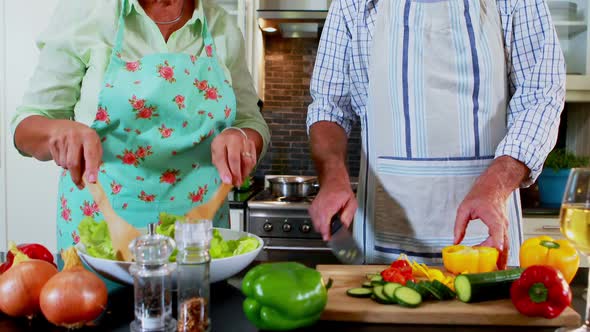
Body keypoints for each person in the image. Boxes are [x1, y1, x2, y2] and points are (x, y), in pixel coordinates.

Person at [307, 0, 565, 268]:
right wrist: (332, 174)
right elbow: (330, 105)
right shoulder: (352, 4)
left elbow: (541, 95)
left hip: (485, 247)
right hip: (382, 254)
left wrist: (496, 186)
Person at [11, 0, 269, 253]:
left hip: (197, 243)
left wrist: (241, 136)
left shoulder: (222, 26)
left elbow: (249, 122)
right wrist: (59, 131)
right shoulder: (86, 11)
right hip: (99, 240)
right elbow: (27, 125)